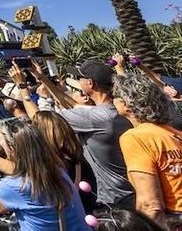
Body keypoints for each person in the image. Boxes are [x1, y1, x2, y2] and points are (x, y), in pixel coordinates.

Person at [0, 117, 90, 231]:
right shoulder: (55, 167)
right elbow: (16, 168)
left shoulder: (17, 186)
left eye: (1, 141)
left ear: (12, 148)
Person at [22, 59, 134, 208]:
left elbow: (40, 119)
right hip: (128, 190)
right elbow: (72, 104)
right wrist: (43, 78)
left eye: (79, 78)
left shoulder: (96, 118)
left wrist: (22, 86)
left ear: (90, 83)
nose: (77, 81)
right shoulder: (115, 109)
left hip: (114, 198)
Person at [114, 71, 182, 227]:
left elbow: (150, 204)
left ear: (126, 105)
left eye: (115, 97)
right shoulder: (175, 134)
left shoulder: (136, 137)